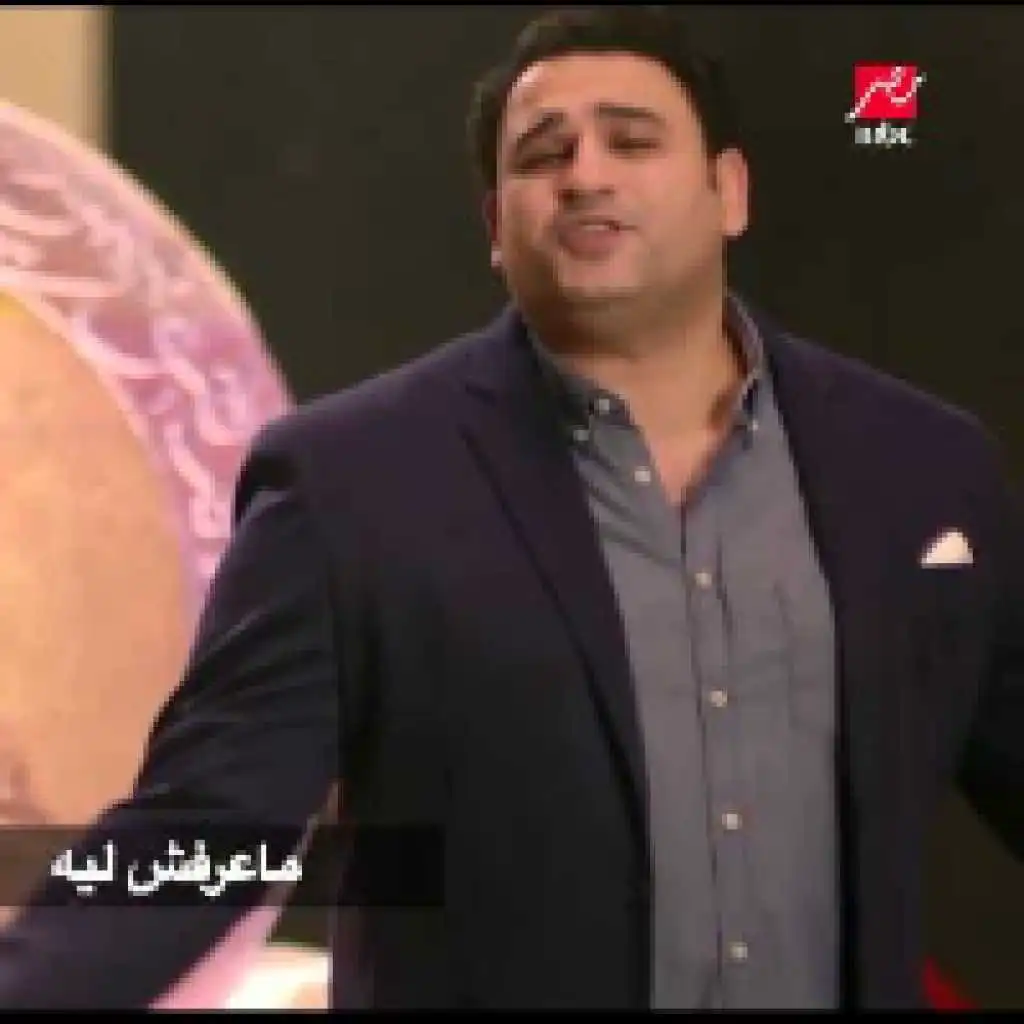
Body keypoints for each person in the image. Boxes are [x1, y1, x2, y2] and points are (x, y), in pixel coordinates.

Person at [0, 4, 1021, 1010]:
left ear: (730, 192)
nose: (585, 173)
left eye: (632, 140)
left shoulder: (917, 469)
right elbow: (207, 826)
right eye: (542, 154)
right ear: (496, 226)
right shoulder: (351, 485)